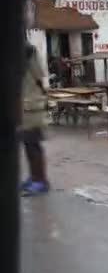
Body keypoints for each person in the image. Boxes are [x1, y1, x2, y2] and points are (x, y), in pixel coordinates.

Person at [20, 42, 50, 196]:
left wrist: (43, 95)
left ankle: (41, 181)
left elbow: (39, 77)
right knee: (28, 144)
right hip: (24, 108)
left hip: (33, 106)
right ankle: (34, 177)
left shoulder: (29, 51)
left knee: (34, 144)